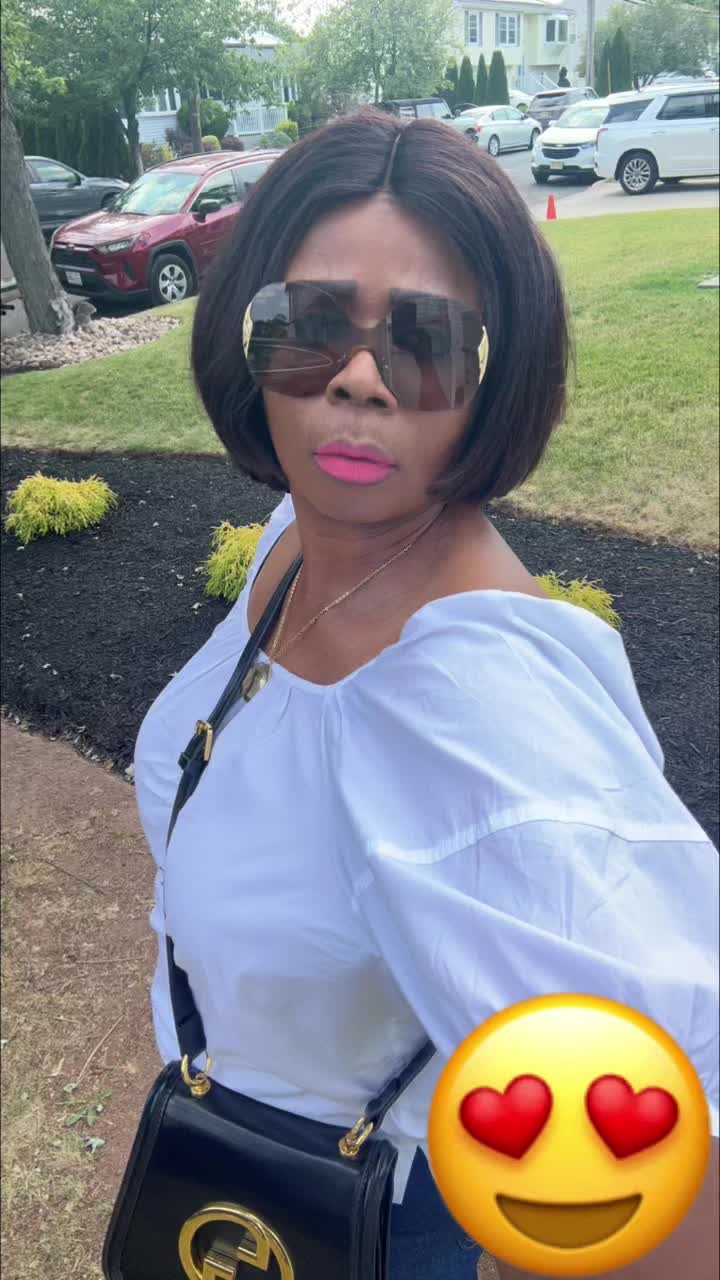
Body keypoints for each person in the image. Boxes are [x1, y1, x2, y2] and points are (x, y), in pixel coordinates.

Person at [134, 109, 718, 1279]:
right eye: (310, 325)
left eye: (428, 341)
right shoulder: (298, 544)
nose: (359, 378)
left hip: (372, 1227)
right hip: (232, 1169)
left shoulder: (477, 706)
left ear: (499, 381)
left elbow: (671, 1179)